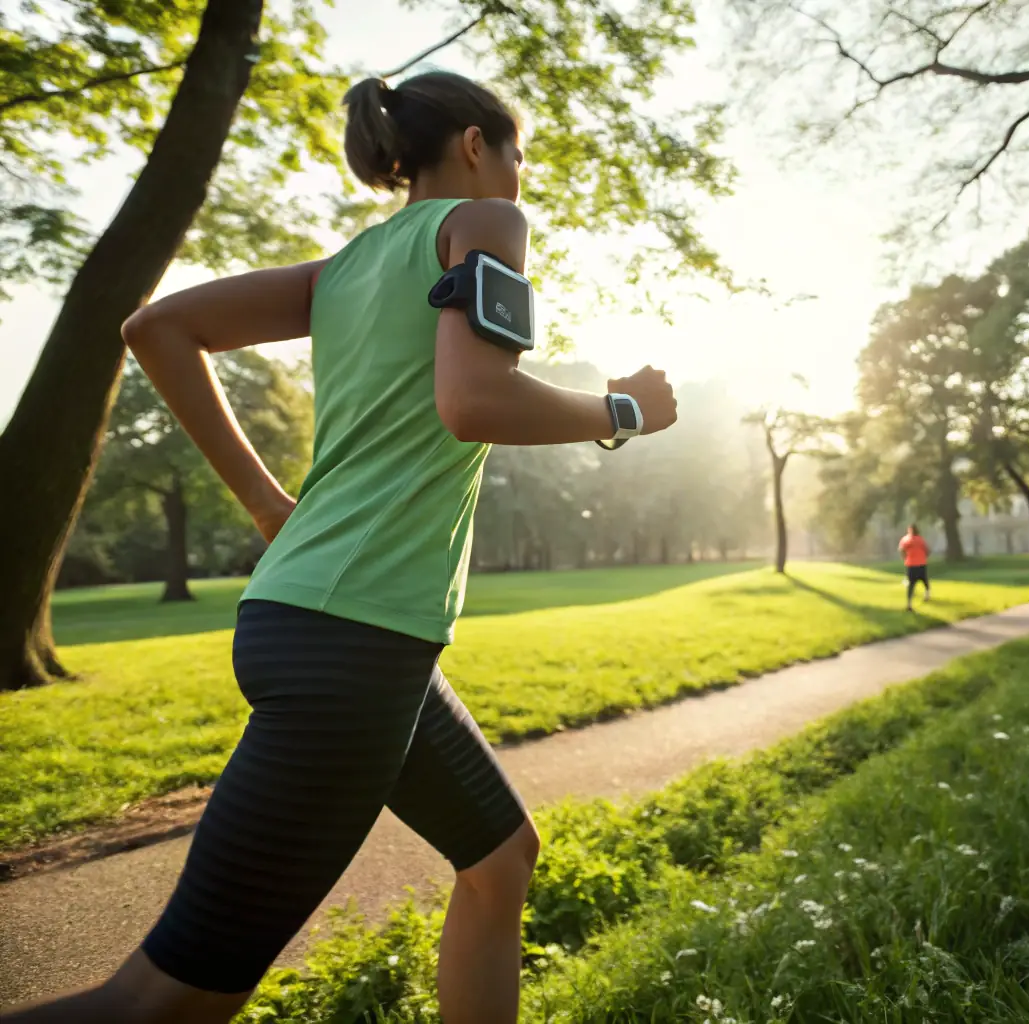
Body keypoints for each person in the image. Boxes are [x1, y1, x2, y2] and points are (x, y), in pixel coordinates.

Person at [2, 72, 676, 1024]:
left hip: (331, 621)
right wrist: (624, 410)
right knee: (161, 1005)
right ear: (477, 146)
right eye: (517, 153)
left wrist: (271, 505)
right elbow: (472, 401)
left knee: (498, 861)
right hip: (349, 644)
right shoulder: (484, 225)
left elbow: (159, 327)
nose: (521, 177)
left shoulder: (347, 267)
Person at [898, 523, 931, 609]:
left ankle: (909, 604)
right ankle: (926, 594)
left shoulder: (906, 539)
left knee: (912, 583)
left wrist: (904, 557)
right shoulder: (920, 539)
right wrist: (924, 557)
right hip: (919, 564)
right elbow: (927, 550)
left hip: (912, 564)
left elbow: (901, 550)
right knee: (924, 580)